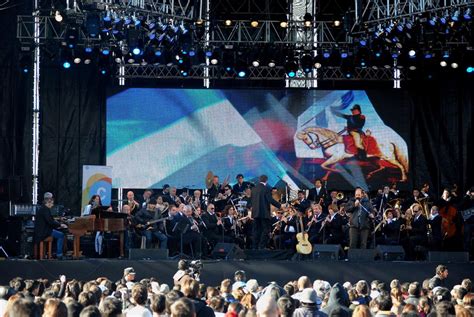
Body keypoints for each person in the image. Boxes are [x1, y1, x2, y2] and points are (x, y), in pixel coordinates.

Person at [251, 175, 284, 250]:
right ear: (266, 180)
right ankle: (261, 247)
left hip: (255, 213)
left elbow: (252, 201)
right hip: (264, 213)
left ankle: (254, 247)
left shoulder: (253, 189)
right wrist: (280, 206)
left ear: (259, 180)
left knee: (256, 230)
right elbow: (270, 200)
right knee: (266, 230)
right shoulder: (267, 189)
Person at [34, 192, 68, 259]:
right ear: (48, 201)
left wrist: (58, 223)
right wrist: (60, 224)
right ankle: (59, 254)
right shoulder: (45, 210)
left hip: (42, 231)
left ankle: (55, 253)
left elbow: (50, 220)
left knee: (58, 233)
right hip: (43, 232)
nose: (52, 204)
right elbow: (50, 221)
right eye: (51, 202)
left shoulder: (43, 208)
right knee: (61, 235)